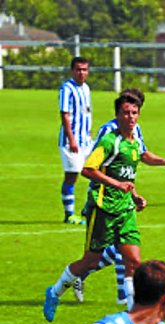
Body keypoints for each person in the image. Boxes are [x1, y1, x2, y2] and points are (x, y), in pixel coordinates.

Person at [43, 93, 165, 322]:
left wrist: (134, 195)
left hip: (125, 209)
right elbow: (88, 169)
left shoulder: (135, 142)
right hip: (103, 207)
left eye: (134, 113)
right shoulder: (109, 140)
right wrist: (117, 185)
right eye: (126, 112)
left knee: (134, 262)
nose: (130, 117)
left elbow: (129, 174)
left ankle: (133, 316)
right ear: (117, 115)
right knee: (90, 261)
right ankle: (55, 291)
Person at [58, 56, 93, 225]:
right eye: (78, 69)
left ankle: (88, 208)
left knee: (98, 172)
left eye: (85, 69)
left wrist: (90, 134)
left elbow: (87, 113)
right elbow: (65, 114)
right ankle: (69, 214)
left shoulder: (86, 88)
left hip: (86, 140)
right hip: (71, 141)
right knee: (72, 176)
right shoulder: (67, 89)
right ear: (73, 71)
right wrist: (72, 139)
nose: (82, 73)